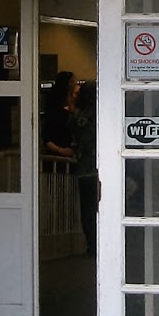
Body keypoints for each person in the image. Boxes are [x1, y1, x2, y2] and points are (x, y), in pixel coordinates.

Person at [71, 81, 98, 252]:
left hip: (83, 166)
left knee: (87, 208)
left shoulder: (76, 115)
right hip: (99, 166)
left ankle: (91, 243)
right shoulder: (100, 113)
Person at [41, 70, 76, 159]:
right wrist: (60, 150)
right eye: (72, 82)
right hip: (58, 154)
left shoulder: (77, 108)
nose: (75, 84)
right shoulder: (55, 111)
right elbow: (47, 136)